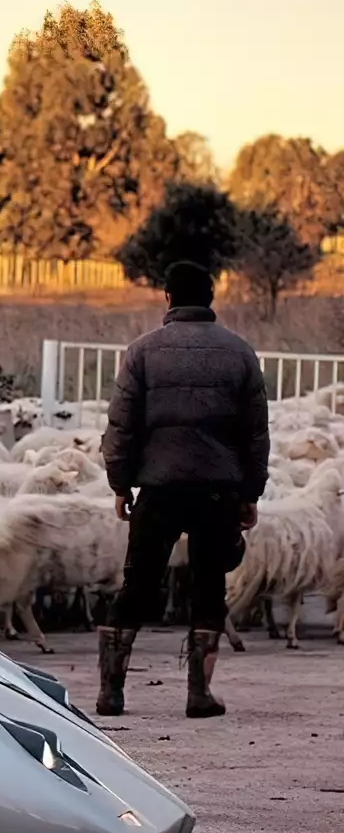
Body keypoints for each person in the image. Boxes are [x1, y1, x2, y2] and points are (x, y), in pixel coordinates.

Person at [97, 261, 267, 719]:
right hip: (218, 489)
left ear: (168, 298)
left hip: (159, 486)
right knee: (209, 586)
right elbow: (255, 433)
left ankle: (111, 691)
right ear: (210, 299)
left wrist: (120, 483)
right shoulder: (240, 353)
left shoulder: (142, 351)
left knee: (138, 584)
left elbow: (121, 426)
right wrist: (251, 493)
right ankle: (199, 694)